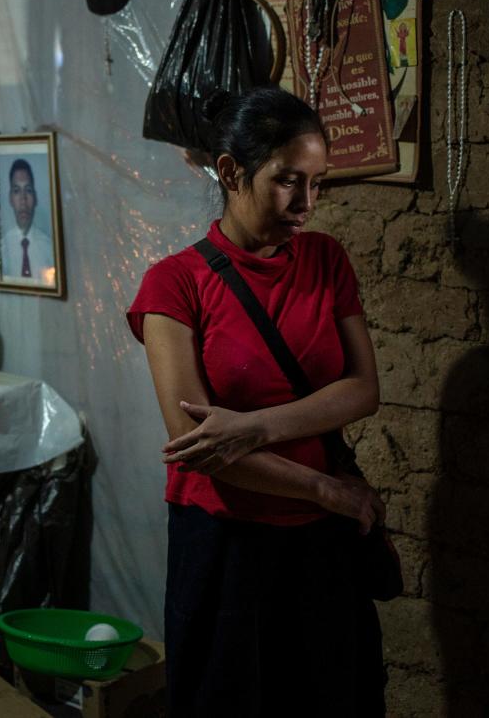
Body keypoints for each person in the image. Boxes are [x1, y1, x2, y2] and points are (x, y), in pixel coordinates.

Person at [127, 87, 387, 716]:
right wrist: (327, 490)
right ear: (230, 172)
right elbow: (199, 450)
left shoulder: (326, 260)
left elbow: (363, 388)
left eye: (317, 183)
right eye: (287, 182)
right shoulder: (174, 283)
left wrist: (254, 427)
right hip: (226, 547)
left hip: (319, 552)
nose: (306, 204)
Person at [0, 158, 53, 285]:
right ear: (11, 199)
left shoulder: (49, 248)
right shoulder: (1, 250)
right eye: (17, 191)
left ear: (35, 198)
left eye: (28, 190)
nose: (23, 200)